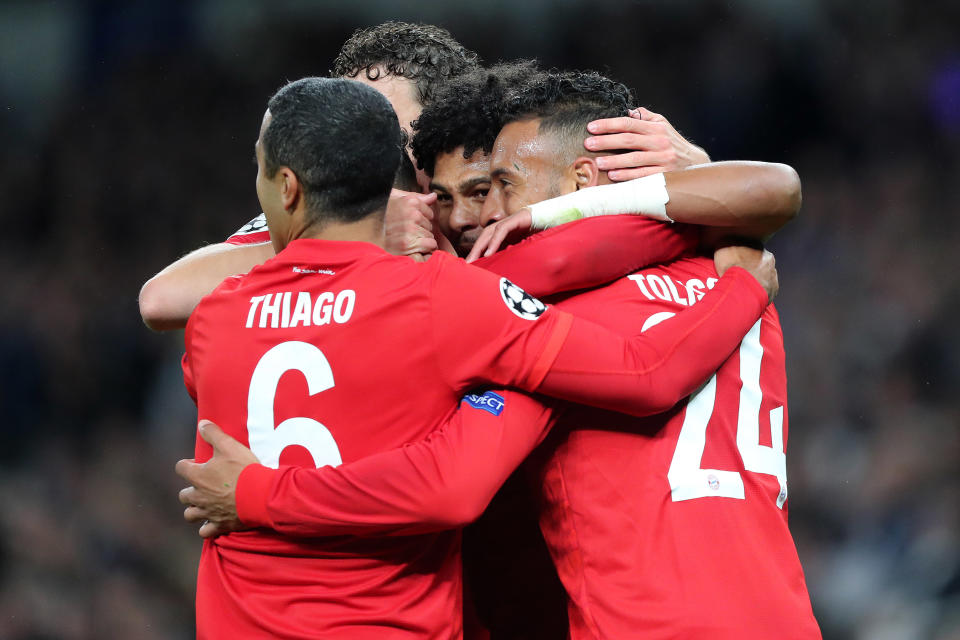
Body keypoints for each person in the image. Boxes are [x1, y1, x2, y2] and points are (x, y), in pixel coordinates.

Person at [179, 75, 774, 638]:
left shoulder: (215, 318)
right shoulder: (450, 301)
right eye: (446, 197)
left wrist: (256, 494)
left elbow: (160, 300)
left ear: (285, 187)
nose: (477, 219)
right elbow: (644, 370)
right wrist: (736, 269)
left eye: (492, 190)